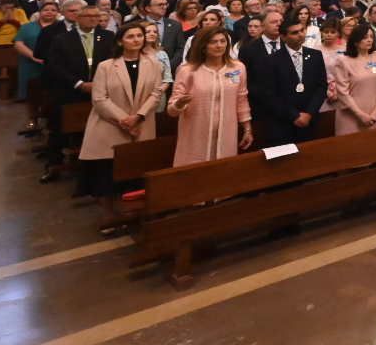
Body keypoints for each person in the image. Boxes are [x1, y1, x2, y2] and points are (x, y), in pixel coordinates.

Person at [77, 21, 164, 229]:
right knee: (108, 174)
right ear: (120, 41)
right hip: (110, 125)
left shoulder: (154, 63)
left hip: (141, 124)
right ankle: (108, 214)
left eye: (139, 36)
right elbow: (99, 98)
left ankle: (132, 213)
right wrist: (124, 120)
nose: (136, 40)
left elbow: (156, 92)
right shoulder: (106, 66)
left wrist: (139, 116)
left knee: (134, 172)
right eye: (131, 36)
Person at [41, 5, 117, 183]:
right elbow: (55, 66)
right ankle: (53, 165)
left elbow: (114, 61)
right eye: (88, 16)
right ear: (78, 18)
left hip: (102, 91)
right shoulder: (62, 39)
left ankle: (97, 166)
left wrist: (101, 84)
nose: (93, 19)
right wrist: (79, 84)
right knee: (59, 129)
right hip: (70, 91)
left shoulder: (108, 37)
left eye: (96, 16)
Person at [165, 25, 253, 166]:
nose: (219, 45)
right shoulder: (187, 70)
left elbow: (241, 99)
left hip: (227, 133)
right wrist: (179, 104)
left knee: (223, 174)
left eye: (222, 41)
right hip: (195, 134)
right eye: (213, 42)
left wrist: (247, 128)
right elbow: (171, 110)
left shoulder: (238, 68)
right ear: (203, 45)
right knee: (194, 176)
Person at [252, 19, 330, 147]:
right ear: (283, 37)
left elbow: (321, 87)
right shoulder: (271, 60)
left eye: (302, 30)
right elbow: (269, 94)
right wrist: (294, 115)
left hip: (310, 119)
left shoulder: (315, 55)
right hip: (283, 122)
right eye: (294, 33)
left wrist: (309, 113)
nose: (300, 34)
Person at [328, 22, 376, 135]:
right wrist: (360, 114)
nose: (369, 40)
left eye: (371, 37)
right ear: (355, 41)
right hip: (351, 114)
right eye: (365, 37)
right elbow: (342, 92)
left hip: (373, 113)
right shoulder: (343, 61)